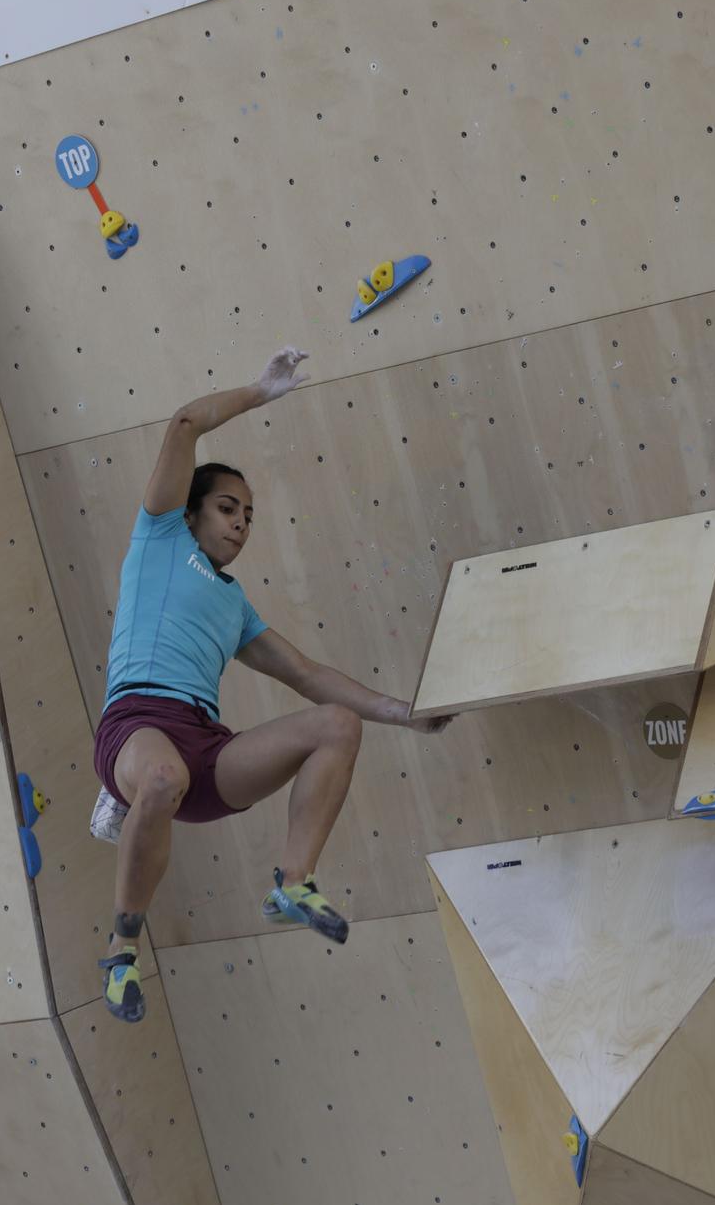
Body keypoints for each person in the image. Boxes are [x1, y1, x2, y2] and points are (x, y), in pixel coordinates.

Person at [89, 346, 454, 1023]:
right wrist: (262, 391)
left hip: (205, 749)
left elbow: (310, 676)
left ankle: (292, 883)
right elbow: (183, 425)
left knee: (338, 725)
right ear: (191, 511)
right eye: (228, 507)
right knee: (161, 778)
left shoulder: (235, 606)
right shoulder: (160, 535)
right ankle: (122, 946)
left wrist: (405, 713)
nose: (240, 523)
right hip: (137, 727)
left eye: (250, 516)